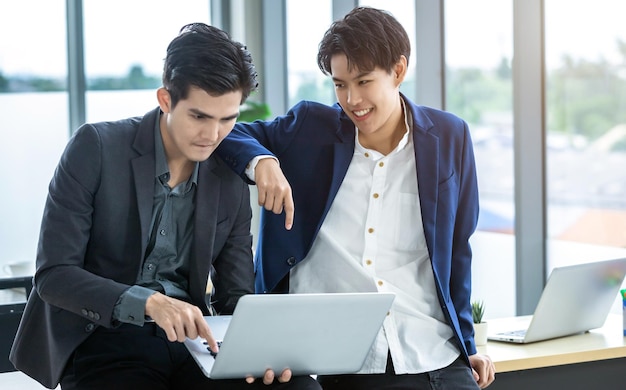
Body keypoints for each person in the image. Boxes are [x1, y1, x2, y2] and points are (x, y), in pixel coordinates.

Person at [9, 23, 320, 390]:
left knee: (300, 387)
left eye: (228, 119)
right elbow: (54, 275)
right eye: (199, 117)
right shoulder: (95, 148)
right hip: (105, 339)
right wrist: (149, 303)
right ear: (165, 99)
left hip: (195, 343)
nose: (213, 135)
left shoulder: (228, 175)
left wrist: (262, 350)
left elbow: (235, 295)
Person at [217, 6, 496, 389]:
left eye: (364, 82)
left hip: (432, 351)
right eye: (339, 84)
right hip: (339, 357)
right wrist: (262, 160)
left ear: (398, 71)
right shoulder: (309, 129)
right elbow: (223, 131)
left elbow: (457, 252)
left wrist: (467, 345)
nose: (351, 100)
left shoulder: (450, 137)